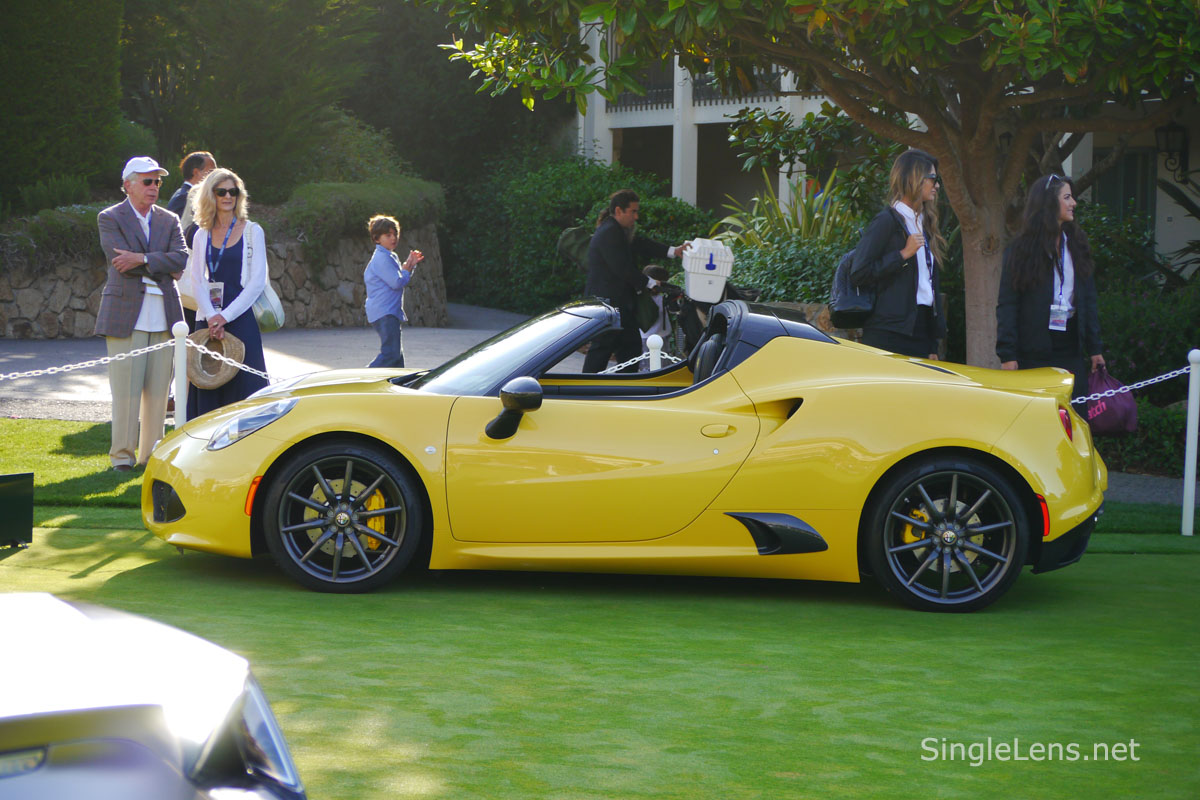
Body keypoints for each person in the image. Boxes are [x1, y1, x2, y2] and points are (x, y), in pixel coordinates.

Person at [95, 156, 188, 471]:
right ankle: (122, 457)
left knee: (159, 394)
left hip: (165, 315)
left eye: (157, 181)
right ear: (128, 185)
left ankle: (152, 457)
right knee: (126, 392)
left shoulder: (169, 219)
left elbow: (181, 258)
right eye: (148, 181)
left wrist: (142, 258)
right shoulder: (110, 217)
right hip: (125, 315)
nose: (154, 187)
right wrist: (161, 263)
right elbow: (120, 262)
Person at [996, 173, 1104, 406]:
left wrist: (1095, 348)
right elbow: (1008, 304)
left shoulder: (1077, 245)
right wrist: (1008, 354)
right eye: (1067, 197)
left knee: (1074, 413)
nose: (1073, 203)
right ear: (1048, 203)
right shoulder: (1021, 250)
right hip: (1033, 348)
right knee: (1036, 415)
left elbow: (1089, 299)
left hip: (1071, 346)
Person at [186, 168, 269, 415]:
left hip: (240, 316)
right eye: (221, 191)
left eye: (233, 192)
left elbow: (257, 282)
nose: (228, 196)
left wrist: (225, 317)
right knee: (208, 385)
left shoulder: (253, 231)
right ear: (210, 195)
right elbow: (197, 279)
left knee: (247, 389)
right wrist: (212, 317)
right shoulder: (201, 234)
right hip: (208, 316)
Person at [850, 149, 947, 359]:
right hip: (888, 334)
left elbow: (927, 288)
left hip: (920, 332)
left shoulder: (924, 224)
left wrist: (932, 343)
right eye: (933, 178)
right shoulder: (887, 222)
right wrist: (902, 255)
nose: (937, 185)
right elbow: (859, 273)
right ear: (914, 178)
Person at [583, 190, 690, 373]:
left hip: (617, 304)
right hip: (609, 304)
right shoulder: (610, 233)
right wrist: (649, 283)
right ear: (619, 210)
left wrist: (673, 251)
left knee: (629, 348)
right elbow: (621, 267)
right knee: (604, 349)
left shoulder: (616, 230)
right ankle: (586, 386)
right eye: (633, 211)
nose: (636, 216)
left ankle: (624, 384)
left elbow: (641, 244)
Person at [363, 215, 424, 369]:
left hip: (388, 312)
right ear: (376, 239)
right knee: (391, 354)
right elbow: (396, 282)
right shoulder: (382, 258)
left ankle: (398, 381)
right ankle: (362, 378)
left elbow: (399, 278)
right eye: (388, 235)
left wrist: (409, 267)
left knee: (396, 358)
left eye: (395, 234)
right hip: (385, 312)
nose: (393, 238)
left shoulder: (390, 256)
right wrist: (407, 269)